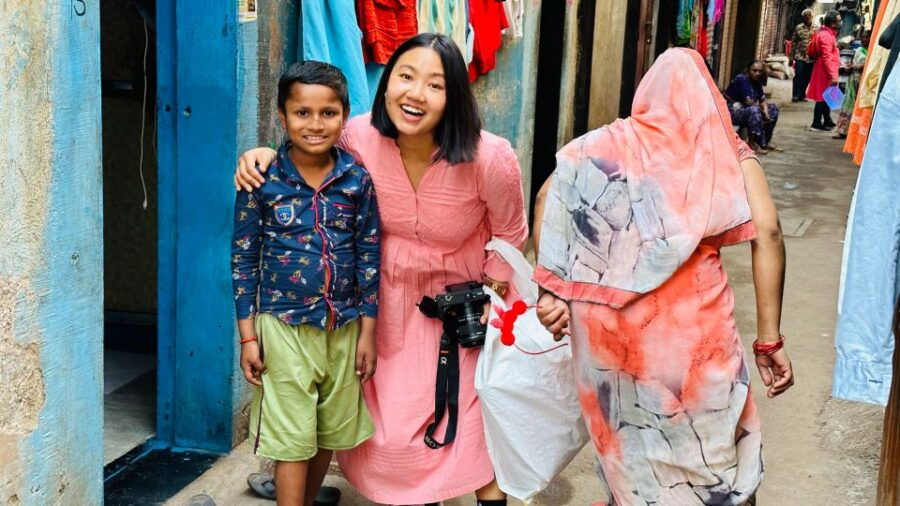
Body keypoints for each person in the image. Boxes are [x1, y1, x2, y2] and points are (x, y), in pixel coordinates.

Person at [235, 33, 528, 505]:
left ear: (454, 95)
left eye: (434, 84)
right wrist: (263, 154)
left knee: (473, 421)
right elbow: (306, 149)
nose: (415, 93)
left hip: (463, 304)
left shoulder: (490, 157)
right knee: (393, 435)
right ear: (386, 82)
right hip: (384, 301)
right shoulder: (357, 136)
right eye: (405, 77)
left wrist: (488, 303)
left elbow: (511, 232)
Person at [532, 48, 794, 505]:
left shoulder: (602, 146)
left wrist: (552, 286)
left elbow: (548, 192)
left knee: (630, 446)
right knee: (710, 450)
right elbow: (768, 231)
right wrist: (768, 338)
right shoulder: (727, 151)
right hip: (690, 337)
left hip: (606, 336)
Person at [231, 60, 381, 505]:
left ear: (345, 115)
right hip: (283, 327)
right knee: (293, 435)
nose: (314, 125)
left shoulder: (356, 180)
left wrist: (367, 333)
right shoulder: (260, 180)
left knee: (327, 428)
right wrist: (248, 338)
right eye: (302, 113)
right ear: (282, 116)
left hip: (344, 326)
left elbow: (369, 256)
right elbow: (243, 260)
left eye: (328, 113)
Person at [725, 60, 780, 152]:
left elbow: (762, 99)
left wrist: (766, 112)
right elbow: (748, 102)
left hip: (747, 110)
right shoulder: (742, 79)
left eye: (760, 71)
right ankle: (751, 144)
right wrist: (763, 113)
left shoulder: (756, 81)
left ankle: (765, 142)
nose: (757, 73)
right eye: (754, 70)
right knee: (754, 110)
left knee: (773, 109)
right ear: (748, 70)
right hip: (733, 112)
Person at [808, 10, 843, 131]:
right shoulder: (826, 36)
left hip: (825, 69)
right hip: (825, 71)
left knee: (826, 97)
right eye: (839, 20)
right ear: (832, 23)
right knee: (822, 97)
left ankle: (827, 120)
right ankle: (816, 123)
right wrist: (833, 75)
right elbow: (826, 57)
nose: (841, 22)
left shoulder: (827, 33)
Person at [835, 31, 871, 138]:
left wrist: (855, 67)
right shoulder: (859, 50)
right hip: (853, 82)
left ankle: (855, 132)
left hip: (864, 83)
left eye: (866, 37)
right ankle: (843, 131)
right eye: (862, 37)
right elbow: (856, 65)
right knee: (848, 106)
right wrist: (850, 67)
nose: (863, 39)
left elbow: (863, 66)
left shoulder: (872, 52)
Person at [792, 8, 816, 102]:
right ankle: (795, 95)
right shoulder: (799, 27)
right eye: (805, 15)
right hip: (799, 55)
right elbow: (794, 41)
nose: (807, 17)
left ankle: (802, 94)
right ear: (803, 17)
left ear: (812, 17)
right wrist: (791, 55)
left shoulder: (816, 28)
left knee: (807, 76)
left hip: (811, 57)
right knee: (799, 75)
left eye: (809, 15)